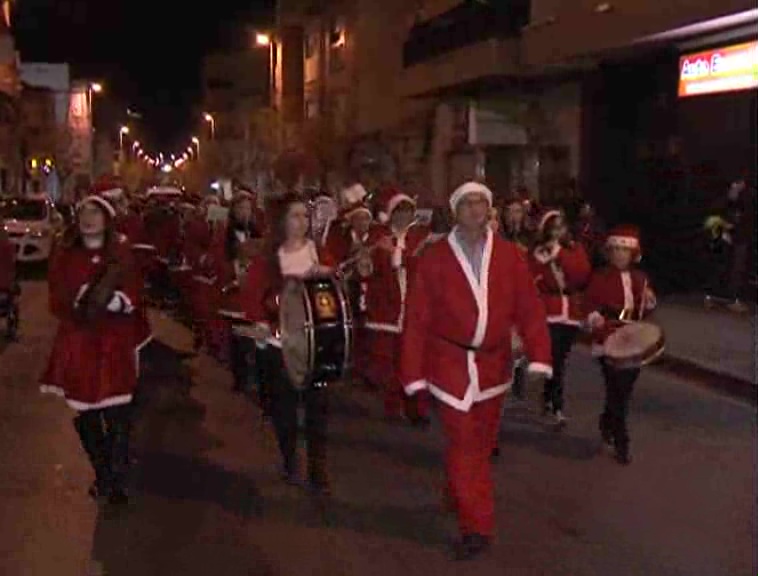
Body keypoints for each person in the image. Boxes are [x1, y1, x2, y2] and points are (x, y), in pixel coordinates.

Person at [400, 181, 552, 560]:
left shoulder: (509, 255)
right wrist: (412, 375)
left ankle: (458, 494)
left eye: (479, 203)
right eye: (466, 204)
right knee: (466, 445)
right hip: (449, 365)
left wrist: (540, 357)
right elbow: (416, 320)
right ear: (455, 211)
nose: (473, 210)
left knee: (479, 445)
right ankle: (477, 526)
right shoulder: (434, 258)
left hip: (493, 365)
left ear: (488, 210)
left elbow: (529, 310)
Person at [39, 192, 143, 505]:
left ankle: (115, 476)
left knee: (118, 412)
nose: (88, 219)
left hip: (114, 343)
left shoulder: (121, 253)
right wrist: (75, 301)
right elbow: (55, 296)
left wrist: (118, 301)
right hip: (80, 342)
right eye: (84, 212)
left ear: (107, 218)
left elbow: (136, 289)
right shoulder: (66, 252)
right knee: (86, 413)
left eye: (95, 213)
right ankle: (104, 473)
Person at [238, 192, 336, 494]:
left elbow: (334, 299)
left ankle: (318, 467)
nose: (302, 222)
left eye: (305, 216)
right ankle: (290, 457)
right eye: (295, 216)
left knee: (318, 408)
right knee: (285, 409)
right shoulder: (268, 260)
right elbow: (253, 300)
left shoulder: (319, 254)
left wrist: (330, 278)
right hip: (280, 346)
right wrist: (264, 325)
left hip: (314, 344)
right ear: (281, 221)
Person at [585, 225, 657, 465]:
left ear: (632, 254)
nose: (619, 255)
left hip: (633, 339)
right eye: (614, 250)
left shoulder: (641, 278)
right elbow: (589, 306)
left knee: (622, 393)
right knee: (616, 389)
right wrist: (596, 321)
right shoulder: (600, 277)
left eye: (623, 251)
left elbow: (645, 309)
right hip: (608, 338)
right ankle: (622, 441)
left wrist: (648, 303)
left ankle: (608, 420)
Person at [364, 186, 430, 425]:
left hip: (414, 309)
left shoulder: (419, 238)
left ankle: (417, 409)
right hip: (387, 309)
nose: (404, 217)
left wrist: (402, 258)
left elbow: (423, 268)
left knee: (416, 362)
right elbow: (367, 271)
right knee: (389, 362)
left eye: (408, 212)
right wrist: (373, 256)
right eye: (399, 212)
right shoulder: (378, 238)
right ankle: (393, 405)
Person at [529, 208, 592, 427]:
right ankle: (557, 405)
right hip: (550, 311)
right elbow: (534, 277)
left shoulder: (574, 249)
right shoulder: (539, 252)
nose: (558, 232)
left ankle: (548, 397)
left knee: (559, 359)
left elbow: (581, 274)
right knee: (555, 358)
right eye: (554, 228)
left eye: (561, 227)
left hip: (571, 312)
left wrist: (561, 255)